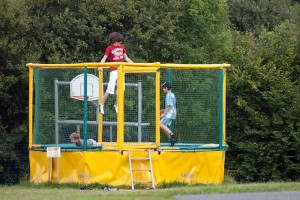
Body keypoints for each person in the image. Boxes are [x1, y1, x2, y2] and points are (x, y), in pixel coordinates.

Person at [98, 32, 133, 115]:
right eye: (118, 41)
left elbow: (126, 58)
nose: (119, 43)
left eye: (120, 42)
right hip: (114, 70)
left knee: (122, 89)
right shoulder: (109, 48)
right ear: (114, 41)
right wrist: (100, 65)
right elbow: (104, 58)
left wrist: (135, 65)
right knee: (110, 88)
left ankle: (116, 105)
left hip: (121, 70)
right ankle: (101, 104)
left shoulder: (122, 47)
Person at [160, 82, 176, 146]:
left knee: (159, 124)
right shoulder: (172, 94)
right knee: (164, 126)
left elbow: (170, 106)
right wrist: (161, 111)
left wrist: (164, 114)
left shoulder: (168, 95)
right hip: (171, 112)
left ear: (166, 88)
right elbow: (170, 107)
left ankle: (172, 135)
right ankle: (172, 139)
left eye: (163, 88)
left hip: (170, 113)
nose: (163, 89)